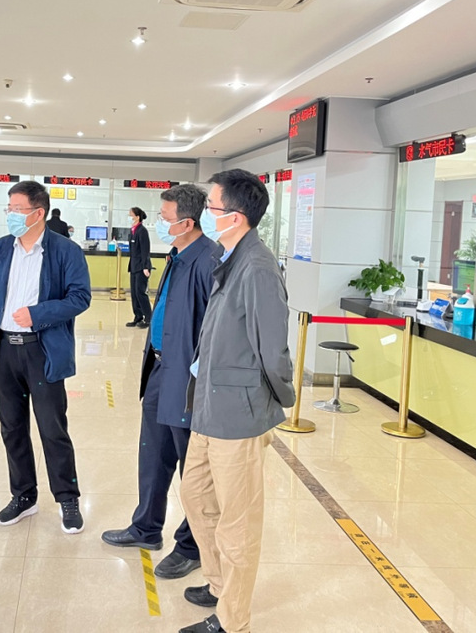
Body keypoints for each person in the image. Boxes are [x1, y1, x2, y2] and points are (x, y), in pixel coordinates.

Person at [179, 169, 295, 633]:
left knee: (237, 522)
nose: (205, 213)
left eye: (212, 207)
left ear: (236, 216)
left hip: (238, 413)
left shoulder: (258, 269)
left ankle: (232, 620)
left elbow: (273, 349)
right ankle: (218, 582)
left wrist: (277, 400)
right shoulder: (230, 257)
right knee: (195, 494)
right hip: (209, 405)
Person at [102, 184, 221, 580]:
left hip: (186, 379)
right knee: (153, 456)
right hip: (158, 370)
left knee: (193, 469)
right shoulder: (176, 255)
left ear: (187, 223)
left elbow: (213, 330)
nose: (159, 223)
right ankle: (146, 527)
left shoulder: (208, 261)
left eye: (165, 218)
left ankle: (192, 546)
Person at [0, 180, 92, 533]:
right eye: (9, 209)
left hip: (42, 350)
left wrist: (37, 314)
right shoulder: (1, 248)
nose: (11, 215)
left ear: (38, 213)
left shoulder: (65, 251)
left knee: (52, 429)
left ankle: (68, 498)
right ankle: (23, 496)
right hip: (4, 350)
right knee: (12, 428)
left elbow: (80, 297)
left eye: (17, 210)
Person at [127, 206, 153, 328]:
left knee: (140, 293)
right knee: (134, 293)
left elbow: (145, 250)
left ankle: (148, 318)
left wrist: (146, 267)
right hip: (134, 266)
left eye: (131, 215)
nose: (129, 217)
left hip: (141, 267)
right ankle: (138, 316)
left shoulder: (142, 231)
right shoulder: (133, 230)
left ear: (137, 217)